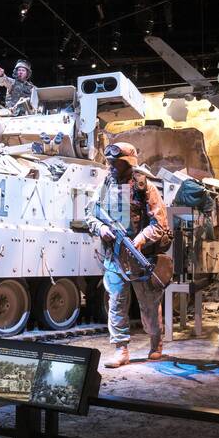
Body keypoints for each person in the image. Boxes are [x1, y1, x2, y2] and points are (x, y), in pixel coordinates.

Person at [84, 141, 171, 369]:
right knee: (117, 303)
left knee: (149, 305)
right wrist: (100, 228)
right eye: (110, 162)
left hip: (141, 258)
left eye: (117, 163)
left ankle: (156, 341)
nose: (111, 166)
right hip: (114, 257)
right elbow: (89, 215)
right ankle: (121, 349)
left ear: (128, 164)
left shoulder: (145, 188)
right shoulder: (104, 186)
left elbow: (159, 223)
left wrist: (140, 240)